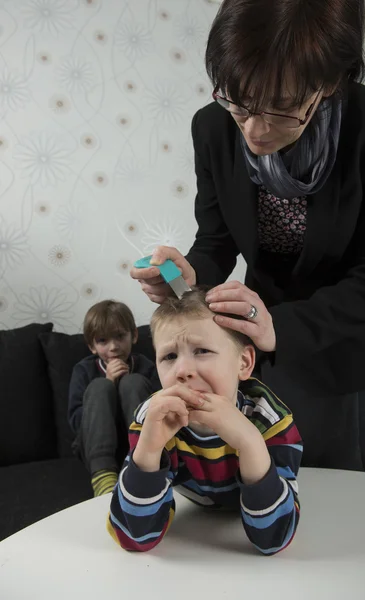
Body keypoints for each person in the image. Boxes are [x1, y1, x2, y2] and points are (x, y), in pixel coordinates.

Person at [130, 0, 365, 471]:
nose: (254, 131)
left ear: (329, 84)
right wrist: (188, 274)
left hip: (346, 344)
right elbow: (217, 239)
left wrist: (282, 328)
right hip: (262, 347)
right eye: (239, 104)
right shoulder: (213, 127)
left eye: (281, 109)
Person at [108, 288, 302, 554]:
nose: (183, 371)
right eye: (169, 357)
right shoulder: (151, 420)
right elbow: (135, 538)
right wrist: (148, 452)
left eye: (202, 350)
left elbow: (274, 540)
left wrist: (250, 443)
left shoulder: (270, 421)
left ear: (244, 362)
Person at [68, 300, 160, 496]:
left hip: (140, 446)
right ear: (92, 346)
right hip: (96, 449)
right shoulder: (84, 370)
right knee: (100, 386)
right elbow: (76, 422)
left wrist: (126, 384)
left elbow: (162, 409)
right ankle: (103, 478)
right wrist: (109, 382)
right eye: (103, 341)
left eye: (119, 336)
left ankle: (142, 467)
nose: (113, 347)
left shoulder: (147, 366)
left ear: (133, 335)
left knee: (133, 382)